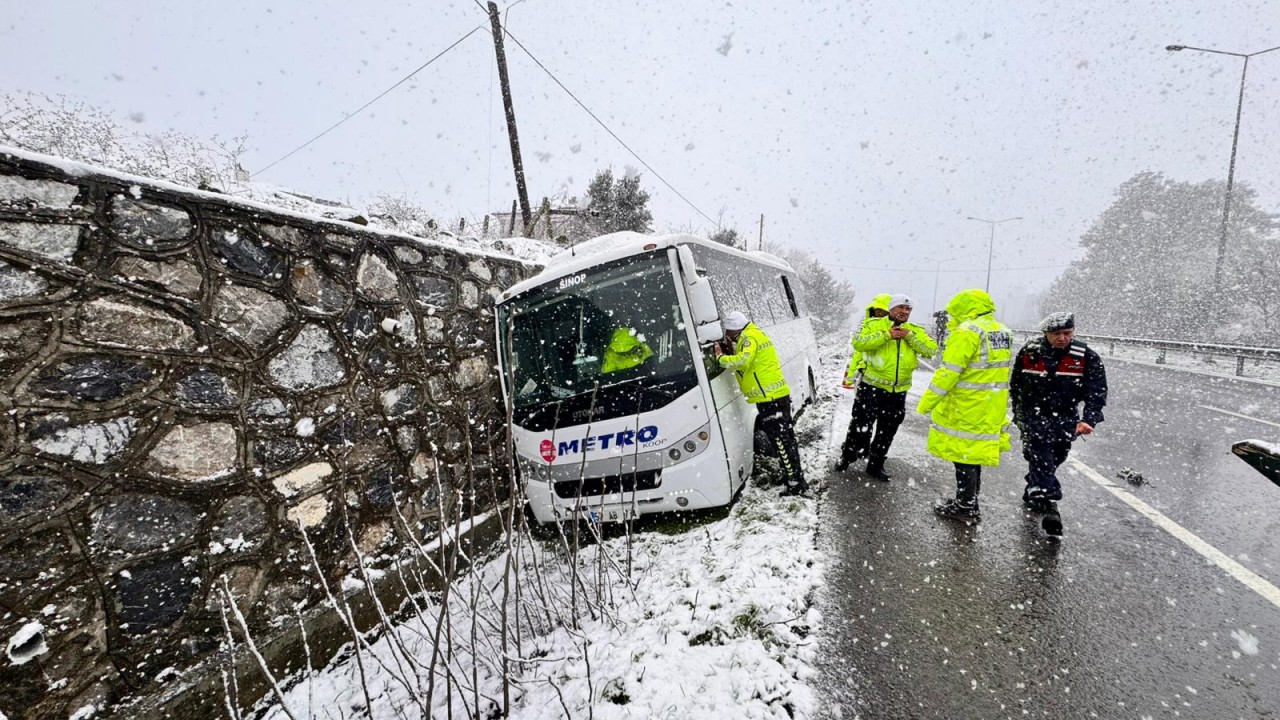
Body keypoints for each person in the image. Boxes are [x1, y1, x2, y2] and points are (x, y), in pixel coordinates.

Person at [916, 289, 1014, 521]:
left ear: (964, 309)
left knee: (963, 455)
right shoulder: (1001, 331)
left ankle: (965, 506)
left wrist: (926, 404)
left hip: (967, 404)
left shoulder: (967, 332)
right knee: (973, 454)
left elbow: (949, 372)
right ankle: (969, 501)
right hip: (990, 403)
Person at [1010, 312, 1108, 520]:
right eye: (1056, 333)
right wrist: (1018, 411)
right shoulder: (1030, 352)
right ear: (1045, 333)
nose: (1062, 338)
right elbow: (1016, 383)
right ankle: (1049, 505)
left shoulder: (1086, 356)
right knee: (1040, 455)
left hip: (1065, 418)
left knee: (1056, 457)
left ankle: (1034, 490)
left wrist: (1089, 419)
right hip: (1033, 416)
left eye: (1067, 333)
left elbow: (1096, 392)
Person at [837, 294, 937, 479]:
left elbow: (931, 350)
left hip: (898, 392)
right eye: (900, 307)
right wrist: (886, 335)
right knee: (860, 425)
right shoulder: (874, 325)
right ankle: (848, 456)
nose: (904, 311)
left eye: (908, 309)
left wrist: (910, 337)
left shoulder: (914, 330)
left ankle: (875, 465)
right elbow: (859, 344)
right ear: (891, 309)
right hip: (871, 387)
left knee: (888, 429)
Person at [714, 310, 809, 497]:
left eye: (728, 332)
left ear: (735, 329)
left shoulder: (749, 338)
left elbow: (743, 361)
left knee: (781, 442)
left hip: (770, 399)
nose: (727, 335)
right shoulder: (753, 334)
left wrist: (720, 357)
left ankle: (794, 483)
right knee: (786, 439)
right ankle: (795, 477)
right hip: (774, 396)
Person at [839, 294, 889, 390]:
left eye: (880, 310)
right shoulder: (872, 327)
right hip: (876, 378)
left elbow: (859, 354)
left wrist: (850, 378)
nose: (877, 313)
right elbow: (859, 353)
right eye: (876, 310)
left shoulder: (870, 327)